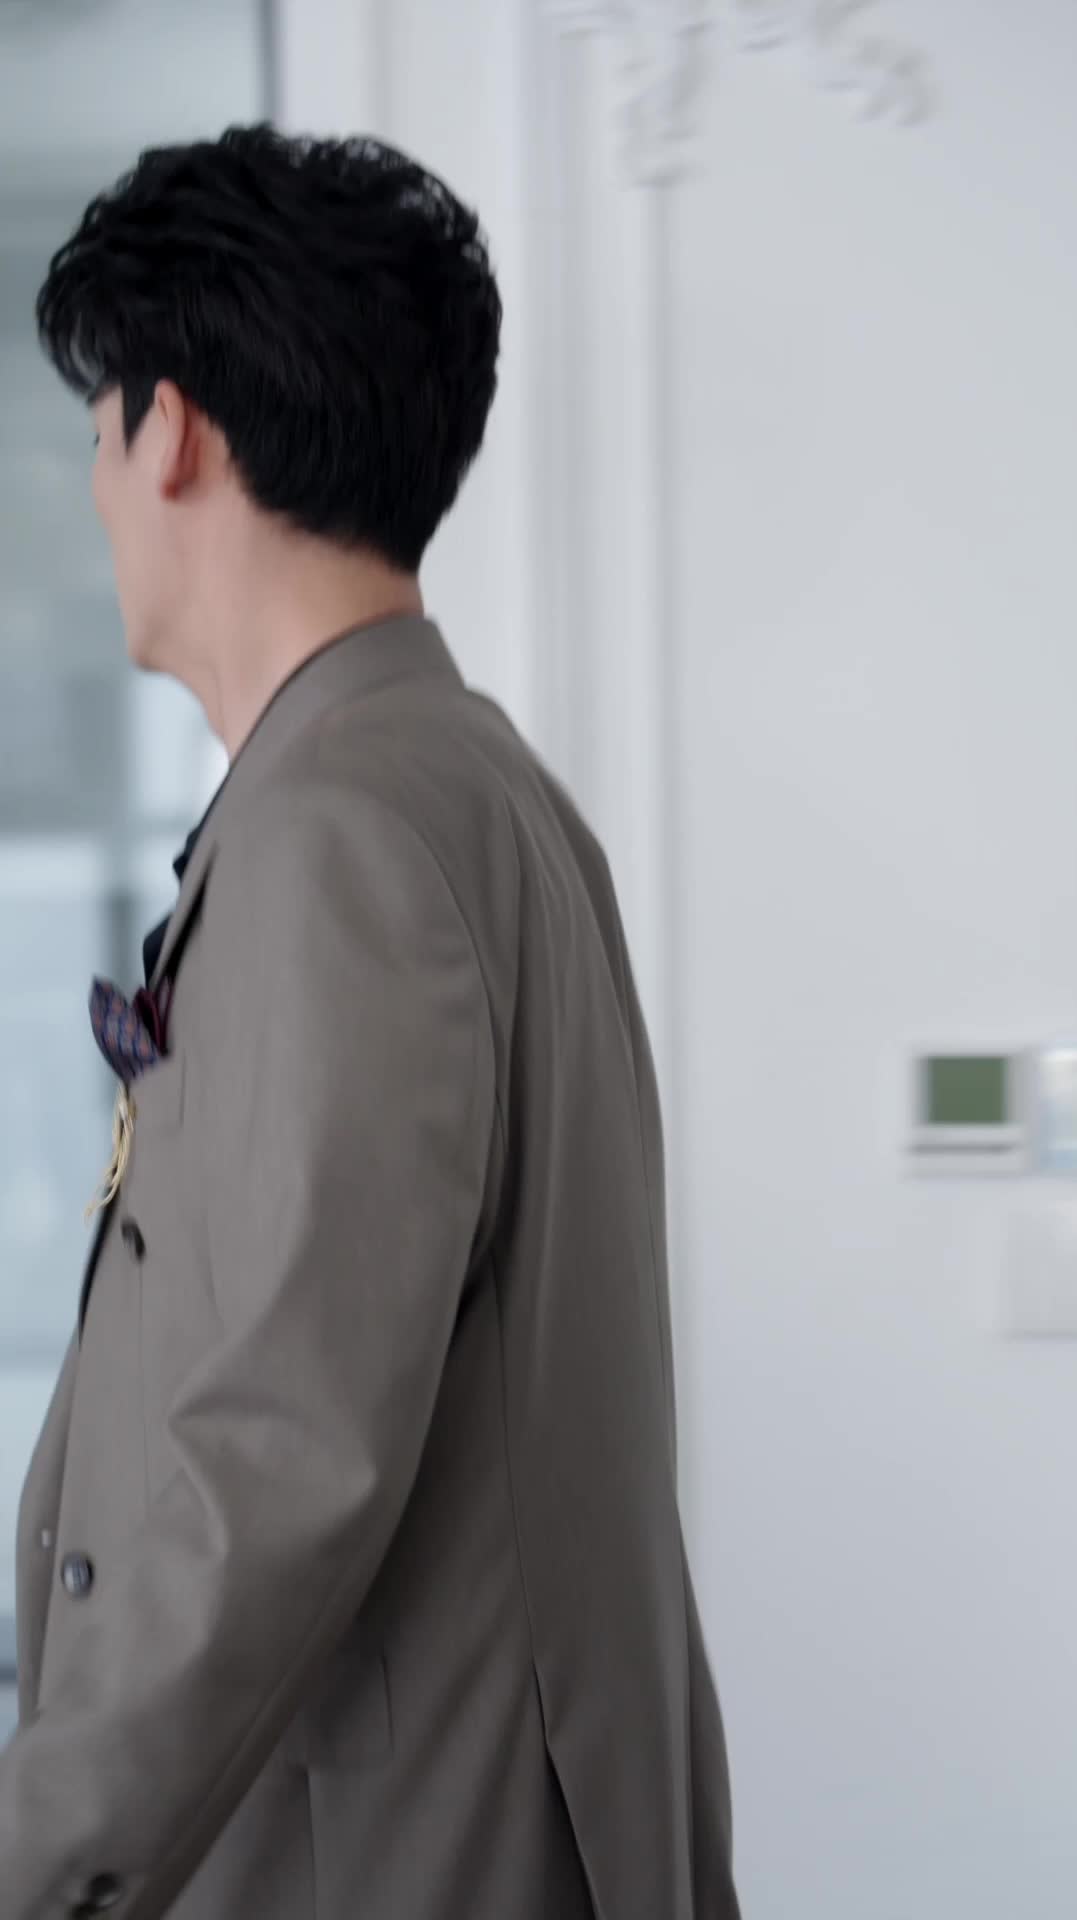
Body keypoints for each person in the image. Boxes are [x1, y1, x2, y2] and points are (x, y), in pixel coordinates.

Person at [1, 125, 741, 1920]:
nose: (96, 493)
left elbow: (275, 1453)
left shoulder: (340, 827)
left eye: (97, 433)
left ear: (173, 434)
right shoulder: (468, 786)